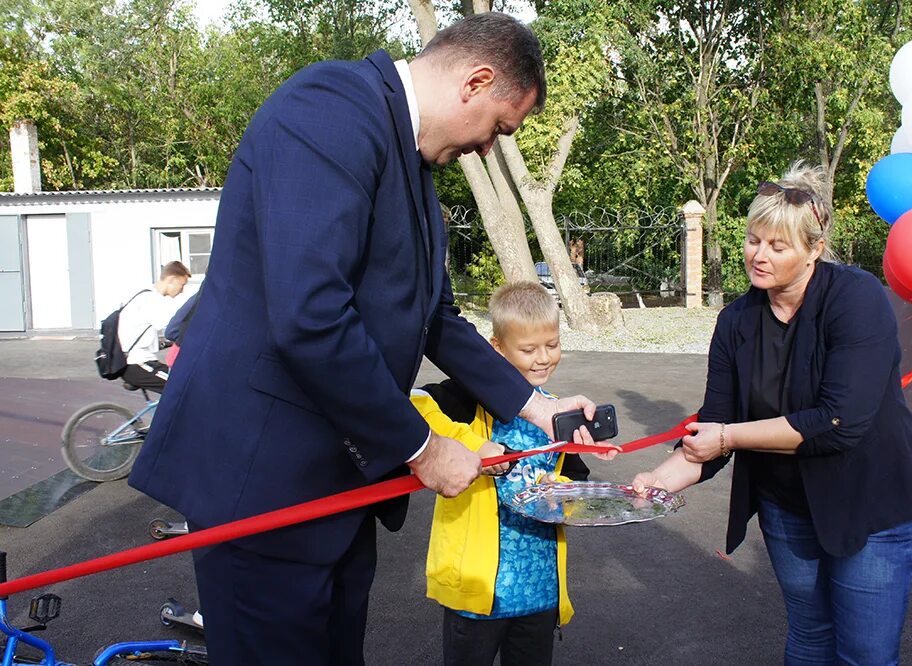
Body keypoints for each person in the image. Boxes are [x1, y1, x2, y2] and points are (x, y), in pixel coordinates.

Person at [128, 13, 600, 664]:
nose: (490, 148)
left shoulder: (412, 169)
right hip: (262, 485)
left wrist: (538, 407)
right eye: (498, 128)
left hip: (335, 492)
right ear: (477, 80)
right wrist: (424, 448)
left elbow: (436, 319)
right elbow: (311, 314)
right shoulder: (330, 109)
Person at [633, 162, 912, 665]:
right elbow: (715, 423)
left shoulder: (856, 299)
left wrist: (727, 436)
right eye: (753, 240)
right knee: (809, 638)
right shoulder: (736, 320)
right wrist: (655, 480)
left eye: (777, 246)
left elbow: (839, 421)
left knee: (865, 655)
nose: (759, 256)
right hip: (787, 507)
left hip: (869, 504)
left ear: (814, 250)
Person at [413, 282, 614, 666]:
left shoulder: (555, 415)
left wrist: (567, 496)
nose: (543, 358)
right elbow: (414, 404)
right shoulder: (466, 399)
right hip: (477, 591)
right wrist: (470, 444)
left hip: (538, 592)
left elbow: (574, 483)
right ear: (496, 349)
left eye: (552, 345)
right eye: (528, 349)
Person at [117, 261, 190, 394]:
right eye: (182, 284)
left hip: (137, 362)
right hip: (138, 363)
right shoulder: (151, 300)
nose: (182, 290)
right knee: (183, 385)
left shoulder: (146, 295)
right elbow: (173, 329)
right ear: (171, 280)